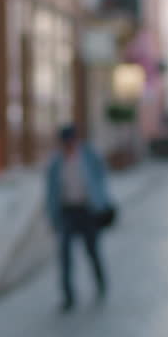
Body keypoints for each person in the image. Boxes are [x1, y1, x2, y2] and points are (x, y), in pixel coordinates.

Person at [45, 125, 112, 312]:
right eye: (65, 143)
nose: (68, 146)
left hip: (87, 210)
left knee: (92, 250)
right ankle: (68, 297)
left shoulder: (89, 156)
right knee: (65, 255)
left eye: (71, 141)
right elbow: (51, 192)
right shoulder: (56, 163)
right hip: (67, 212)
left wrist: (102, 202)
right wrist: (52, 217)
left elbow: (101, 178)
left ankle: (100, 283)